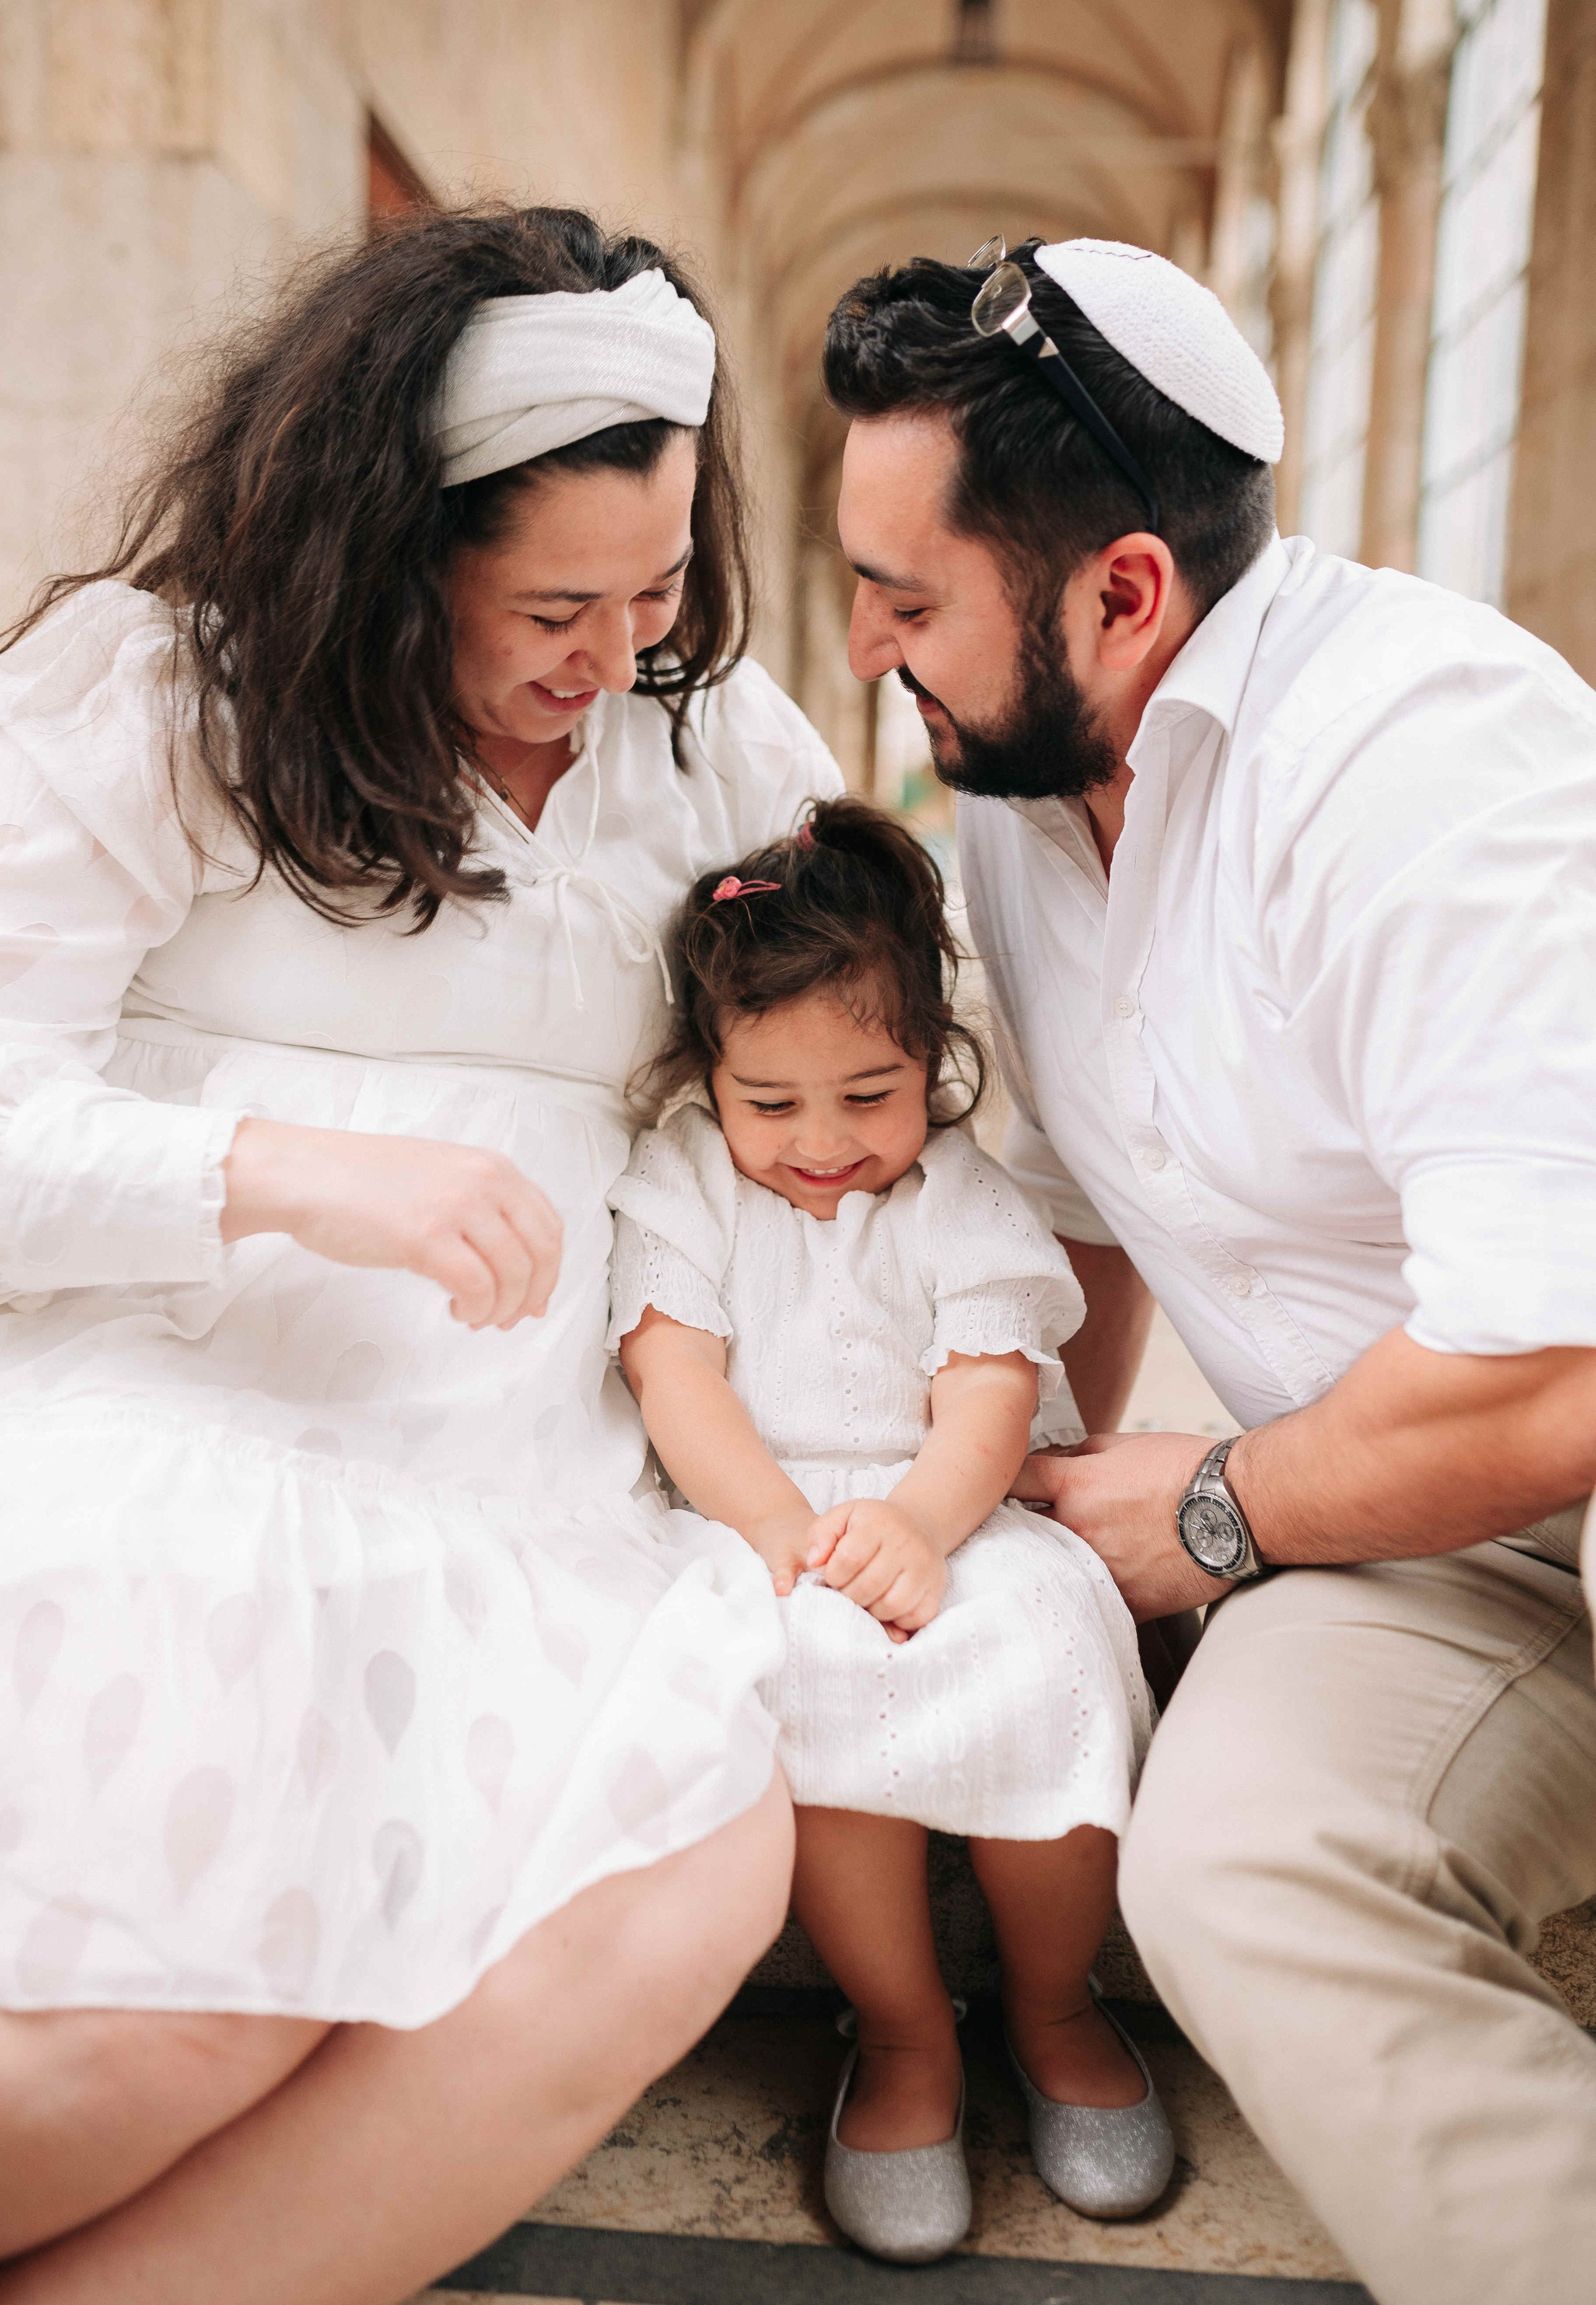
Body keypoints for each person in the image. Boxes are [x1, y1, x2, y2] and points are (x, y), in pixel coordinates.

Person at [0, 203, 842, 2303]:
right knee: (164, 2022)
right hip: (184, 1435)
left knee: (689, 1876)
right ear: (393, 551)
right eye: (555, 599)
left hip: (523, 1490)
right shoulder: (168, 700)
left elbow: (880, 1065)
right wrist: (278, 1169)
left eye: (657, 585)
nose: (617, 649)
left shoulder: (720, 756)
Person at [821, 233, 1596, 2305]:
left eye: (908, 601)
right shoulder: (1021, 781)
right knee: (1238, 1874)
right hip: (1422, 1535)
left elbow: (1560, 1376)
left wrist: (1219, 1513)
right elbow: (1081, 1215)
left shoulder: (1432, 762)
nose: (868, 640)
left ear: (1125, 593)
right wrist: (1003, 1517)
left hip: (1543, 1447)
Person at [608, 796, 1170, 2263]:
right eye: (770, 1103)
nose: (821, 1143)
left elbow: (988, 1391)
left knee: (1050, 1651)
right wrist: (790, 1531)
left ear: (932, 1061)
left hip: (957, 1508)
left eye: (869, 1093)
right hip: (764, 1518)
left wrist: (921, 1522)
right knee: (807, 1677)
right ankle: (906, 2034)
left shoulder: (955, 1195)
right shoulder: (681, 1181)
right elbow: (675, 1377)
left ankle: (1053, 2001)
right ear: (707, 1077)